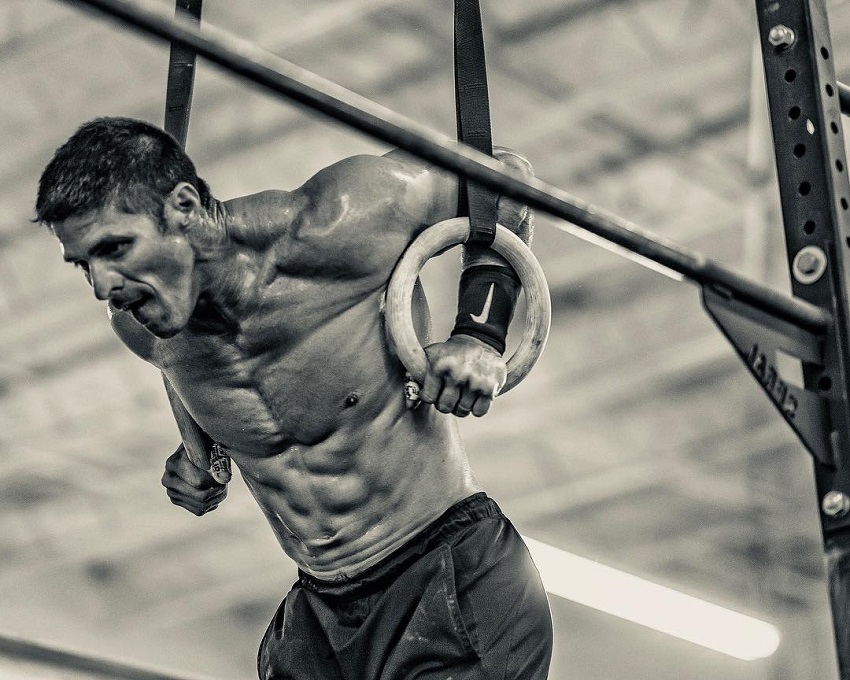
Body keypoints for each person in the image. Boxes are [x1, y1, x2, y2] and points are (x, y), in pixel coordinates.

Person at [35, 117, 553, 679]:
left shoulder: (340, 222)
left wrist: (479, 335)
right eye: (84, 262)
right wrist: (198, 452)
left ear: (183, 207)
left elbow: (502, 179)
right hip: (320, 612)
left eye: (116, 247)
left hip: (441, 572)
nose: (102, 284)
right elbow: (185, 368)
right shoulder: (144, 327)